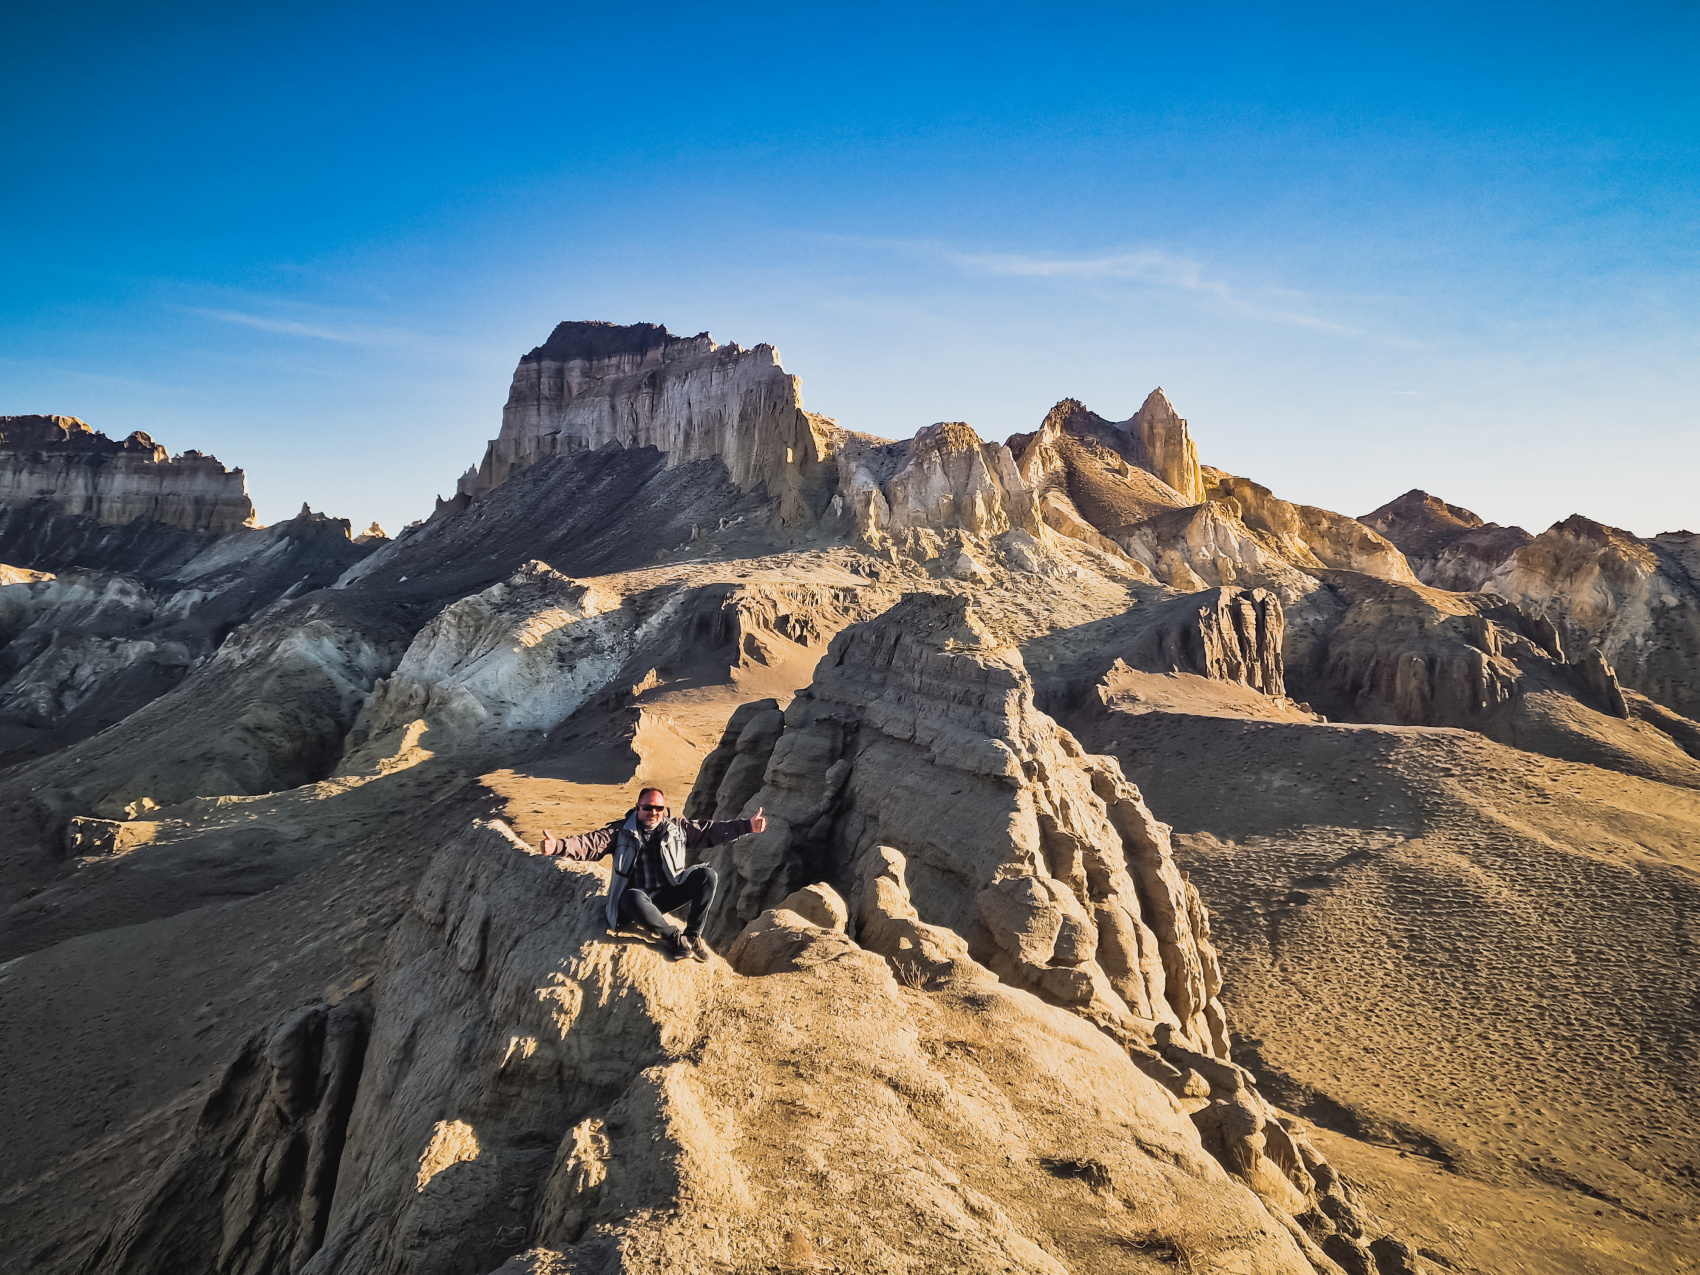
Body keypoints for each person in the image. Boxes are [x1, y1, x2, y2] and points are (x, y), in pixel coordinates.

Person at [537, 787, 767, 961]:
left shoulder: (676, 828)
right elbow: (590, 843)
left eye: (659, 808)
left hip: (666, 894)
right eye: (648, 807)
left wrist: (748, 826)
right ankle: (673, 939)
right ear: (638, 808)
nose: (654, 812)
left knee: (707, 875)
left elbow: (709, 831)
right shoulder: (621, 831)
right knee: (632, 896)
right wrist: (558, 846)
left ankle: (693, 935)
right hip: (635, 903)